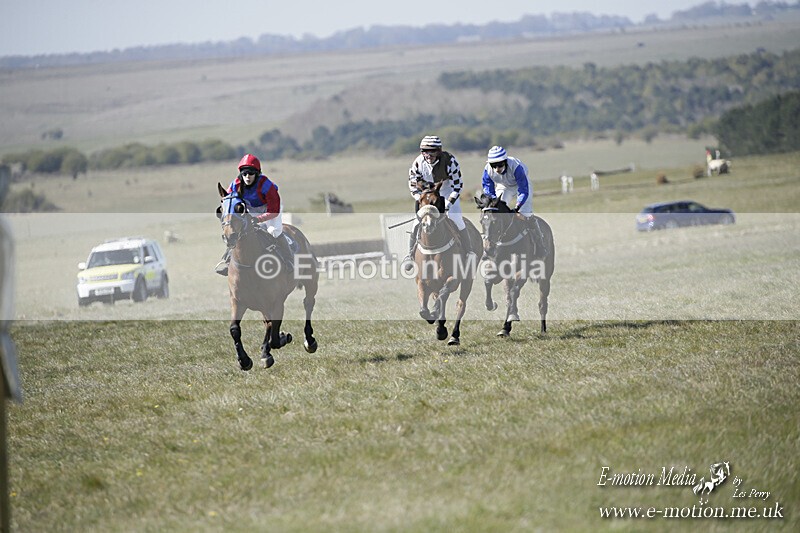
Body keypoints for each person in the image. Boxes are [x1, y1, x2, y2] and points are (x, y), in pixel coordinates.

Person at [403, 135, 474, 272]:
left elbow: (457, 186)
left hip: (447, 191)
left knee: (456, 218)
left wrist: (448, 204)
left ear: (439, 151)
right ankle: (409, 255)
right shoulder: (417, 163)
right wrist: (422, 200)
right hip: (426, 195)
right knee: (416, 223)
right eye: (425, 151)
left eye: (432, 151)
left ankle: (469, 251)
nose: (428, 155)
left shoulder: (450, 161)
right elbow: (413, 185)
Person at [215, 153, 293, 275]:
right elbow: (229, 200)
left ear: (257, 173)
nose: (247, 176)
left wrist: (259, 219)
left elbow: (274, 211)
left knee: (274, 231)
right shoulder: (235, 184)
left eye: (250, 173)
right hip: (250, 207)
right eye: (244, 173)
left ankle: (289, 260)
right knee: (237, 231)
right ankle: (227, 261)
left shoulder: (267, 186)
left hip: (269, 208)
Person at [481, 145, 548, 256]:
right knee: (495, 214)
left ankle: (540, 243)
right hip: (503, 186)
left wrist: (517, 206)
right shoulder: (487, 169)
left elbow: (523, 189)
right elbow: (488, 187)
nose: (497, 169)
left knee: (525, 214)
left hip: (522, 186)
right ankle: (492, 245)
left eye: (500, 165)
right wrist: (493, 202)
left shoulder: (516, 167)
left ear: (506, 162)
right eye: (494, 165)